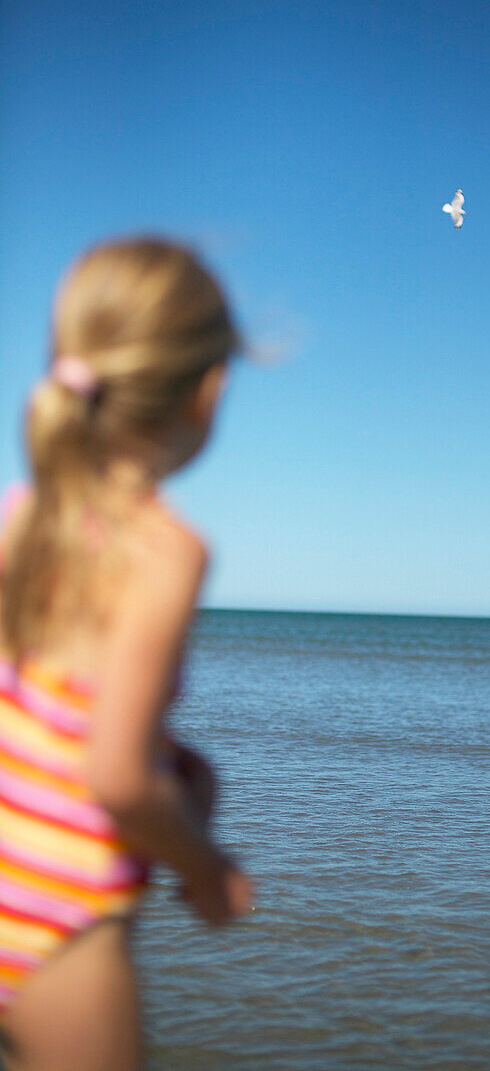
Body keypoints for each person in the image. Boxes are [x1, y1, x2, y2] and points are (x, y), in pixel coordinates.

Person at [0, 237, 254, 1070]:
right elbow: (113, 775)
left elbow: (37, 703)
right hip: (53, 917)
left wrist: (180, 761)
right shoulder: (165, 552)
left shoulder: (15, 517)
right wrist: (206, 865)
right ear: (206, 391)